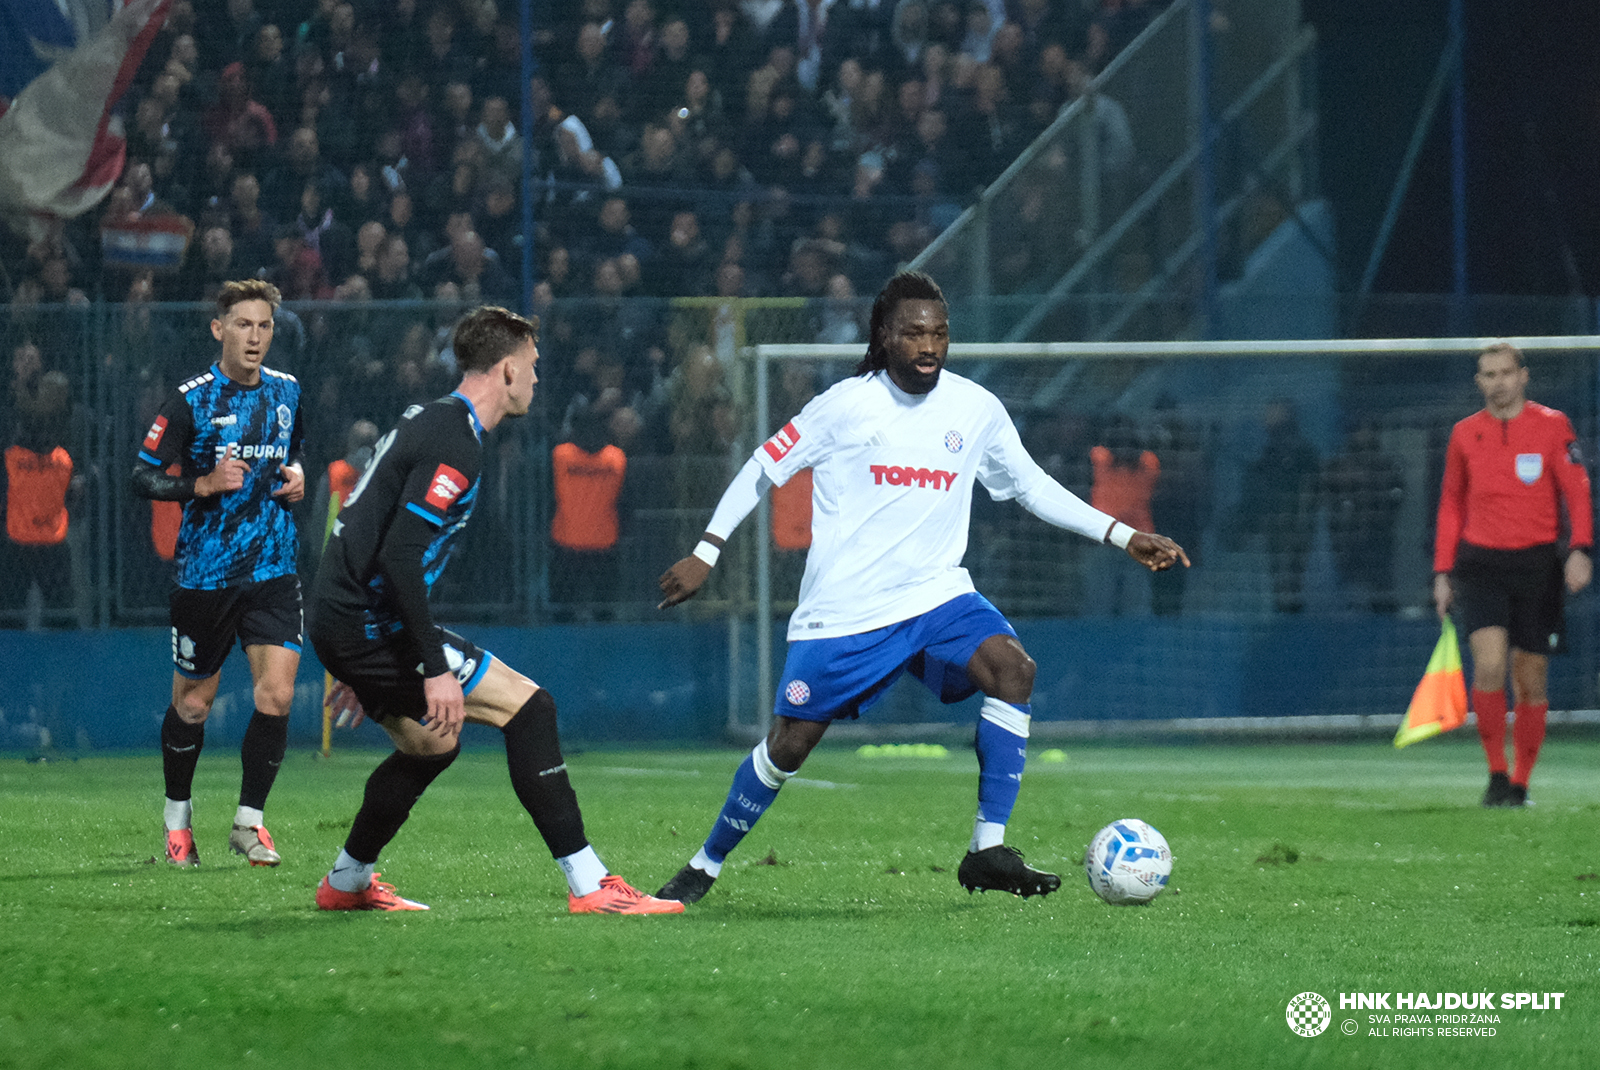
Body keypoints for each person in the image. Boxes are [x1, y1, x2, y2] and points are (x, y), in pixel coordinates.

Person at [654, 271, 1189, 904]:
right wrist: (706, 550)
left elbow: (1031, 486)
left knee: (1013, 671)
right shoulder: (844, 405)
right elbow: (761, 467)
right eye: (913, 332)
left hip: (937, 596)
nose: (929, 344)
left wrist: (1123, 535)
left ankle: (986, 848)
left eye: (938, 332)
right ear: (884, 338)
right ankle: (706, 863)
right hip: (847, 610)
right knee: (790, 745)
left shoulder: (975, 408)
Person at [309, 305, 682, 914]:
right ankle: (591, 886)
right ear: (507, 370)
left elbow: (368, 529)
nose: (537, 379)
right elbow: (400, 555)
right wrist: (424, 667)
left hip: (353, 618)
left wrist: (359, 652)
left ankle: (346, 882)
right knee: (531, 709)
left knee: (431, 745)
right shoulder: (457, 443)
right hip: (366, 620)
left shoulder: (428, 419)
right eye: (532, 366)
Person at [130, 279, 306, 868]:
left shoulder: (288, 391)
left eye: (264, 326)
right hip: (206, 576)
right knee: (194, 706)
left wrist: (297, 475)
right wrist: (199, 484)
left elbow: (293, 448)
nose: (254, 337)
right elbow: (143, 475)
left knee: (276, 694)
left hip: (274, 568)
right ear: (218, 329)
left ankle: (249, 824)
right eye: (243, 325)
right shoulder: (190, 401)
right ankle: (177, 821)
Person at [1433, 343, 1593, 808]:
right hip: (1480, 564)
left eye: (1506, 372)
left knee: (1531, 678)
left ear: (1523, 376)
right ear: (1478, 381)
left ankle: (1521, 781)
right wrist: (1443, 571)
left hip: (1537, 566)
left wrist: (1580, 550)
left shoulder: (1552, 425)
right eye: (1488, 374)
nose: (1498, 382)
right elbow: (1450, 504)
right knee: (1488, 664)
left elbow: (1577, 492)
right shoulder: (1465, 434)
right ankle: (1496, 774)